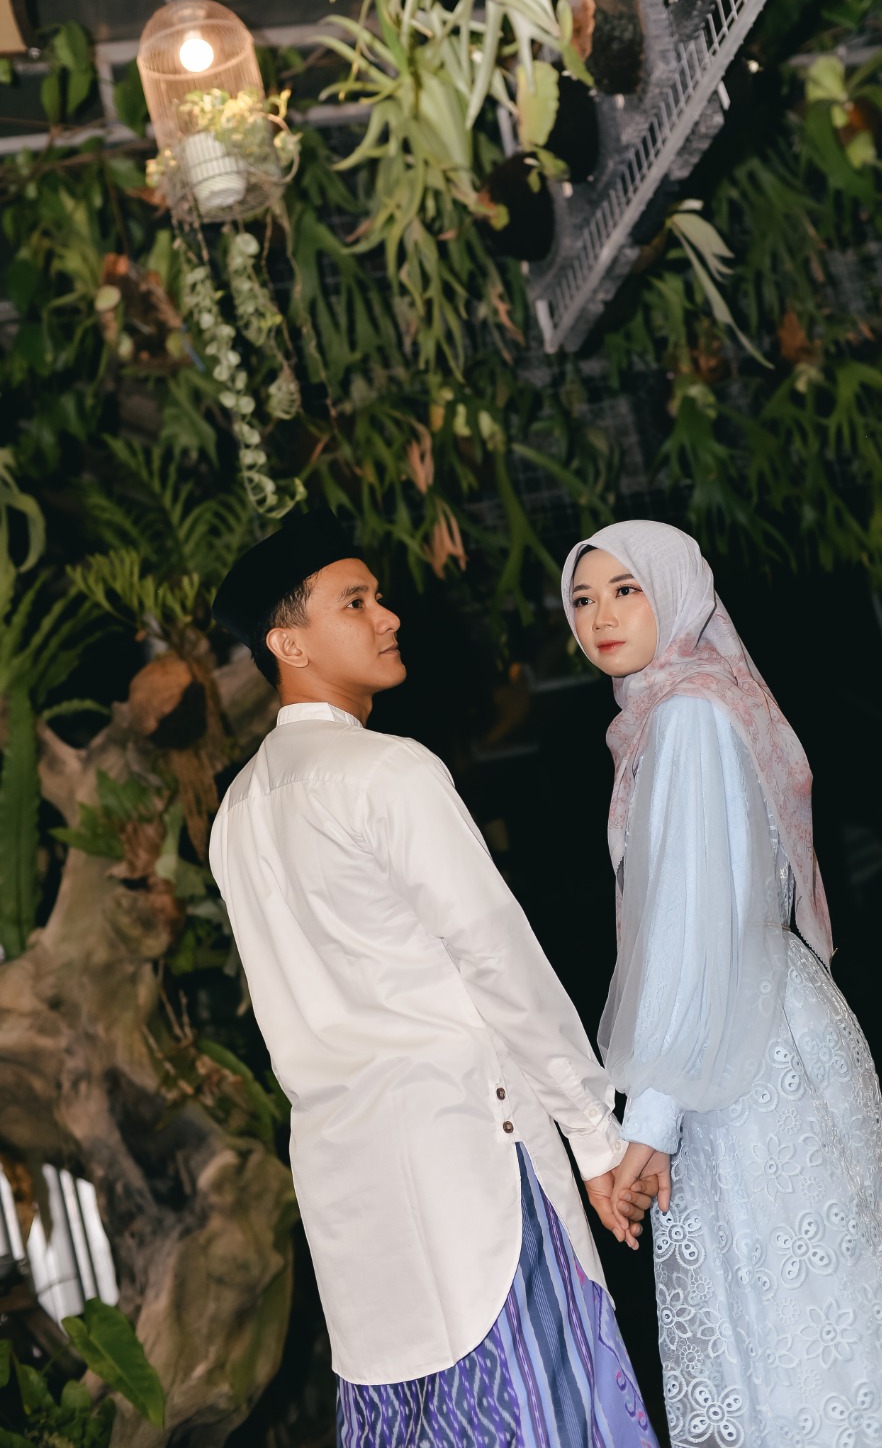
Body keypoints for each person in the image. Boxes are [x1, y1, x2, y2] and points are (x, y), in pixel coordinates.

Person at [208, 510, 661, 1448]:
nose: (389, 616)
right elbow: (500, 963)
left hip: (350, 1195)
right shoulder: (387, 773)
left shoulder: (235, 815)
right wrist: (594, 1137)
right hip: (471, 1164)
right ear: (288, 643)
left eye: (378, 597)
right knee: (546, 1414)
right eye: (356, 602)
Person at [562, 519, 882, 1448]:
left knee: (799, 1331)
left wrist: (651, 1119)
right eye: (583, 599)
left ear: (677, 592)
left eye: (627, 590)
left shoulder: (687, 714)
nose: (600, 616)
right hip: (759, 1023)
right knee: (823, 1316)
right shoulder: (675, 710)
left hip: (743, 1050)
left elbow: (691, 925)